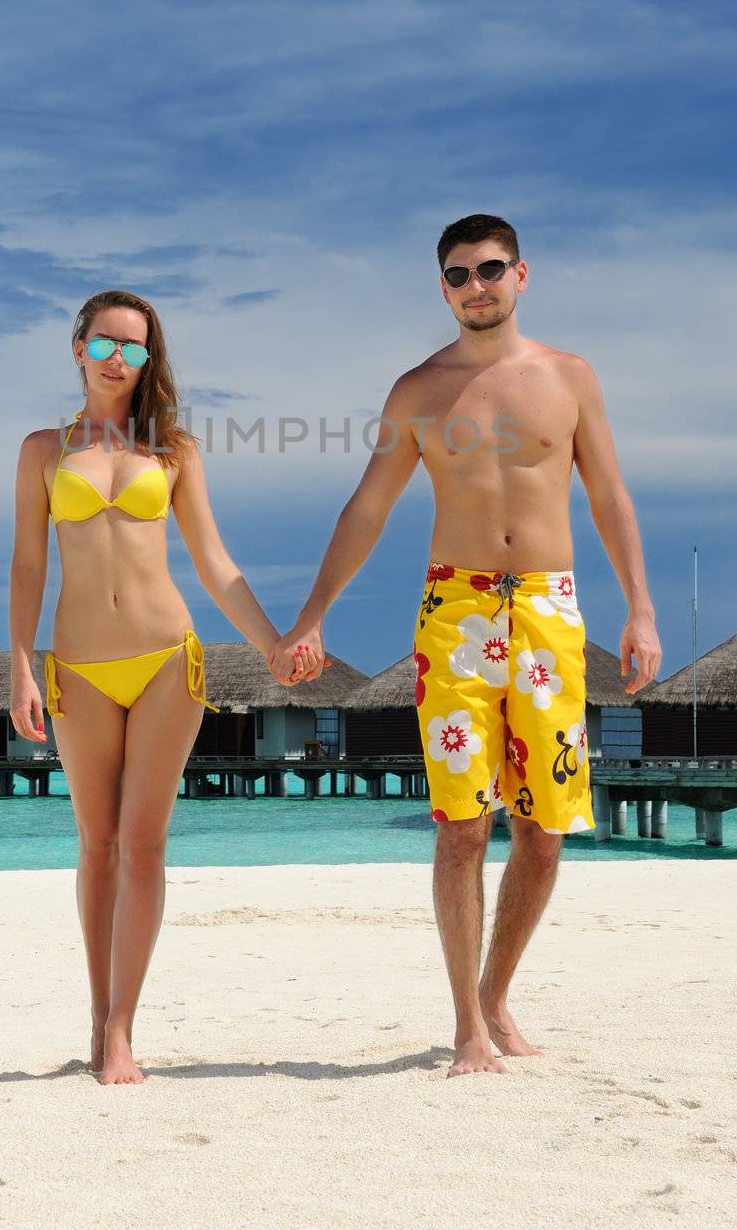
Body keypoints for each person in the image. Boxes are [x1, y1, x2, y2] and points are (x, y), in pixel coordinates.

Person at [269, 213, 662, 1076]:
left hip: (552, 614)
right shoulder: (418, 390)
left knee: (546, 832)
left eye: (490, 269)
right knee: (460, 828)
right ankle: (467, 1027)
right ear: (442, 287)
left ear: (523, 274)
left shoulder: (571, 378)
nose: (475, 286)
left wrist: (640, 609)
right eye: (458, 275)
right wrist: (312, 616)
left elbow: (609, 498)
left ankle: (495, 994)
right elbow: (366, 508)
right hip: (457, 612)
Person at [9, 289, 299, 1085]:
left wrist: (274, 643)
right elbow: (29, 563)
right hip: (79, 666)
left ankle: (123, 1031)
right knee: (95, 849)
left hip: (170, 659)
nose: (117, 359)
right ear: (78, 347)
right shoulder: (42, 449)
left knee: (142, 847)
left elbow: (213, 562)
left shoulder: (173, 450)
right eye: (105, 343)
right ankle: (97, 1020)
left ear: (148, 360)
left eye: (135, 349)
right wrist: (18, 665)